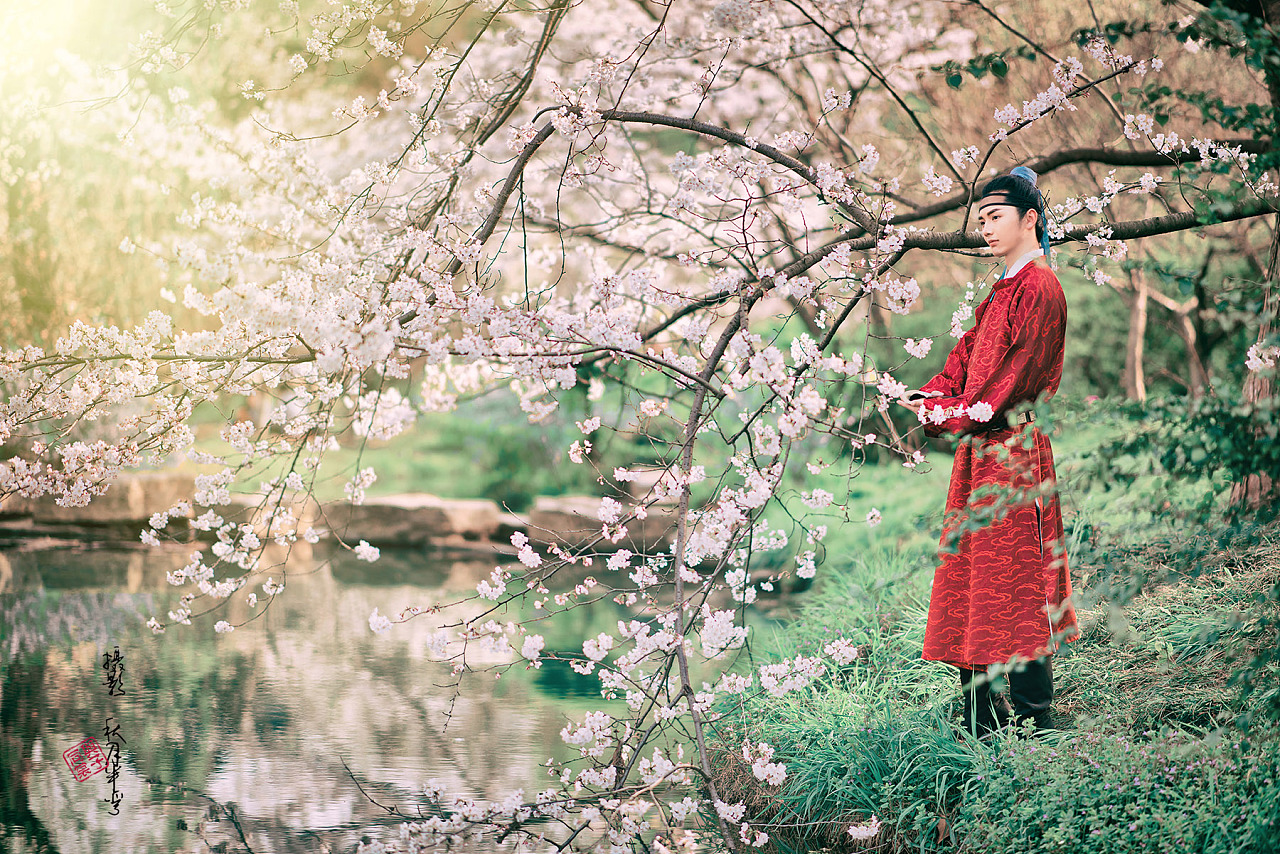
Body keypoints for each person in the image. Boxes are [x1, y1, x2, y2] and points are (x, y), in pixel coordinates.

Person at [898, 166, 1079, 737]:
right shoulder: (1000, 291)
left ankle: (1034, 725)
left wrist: (949, 414)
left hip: (1014, 454)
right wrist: (927, 396)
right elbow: (966, 359)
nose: (985, 228)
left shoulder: (1041, 288)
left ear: (1030, 219)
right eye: (980, 219)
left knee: (1017, 582)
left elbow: (1011, 381)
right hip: (980, 453)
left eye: (995, 216)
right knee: (976, 579)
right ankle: (980, 725)